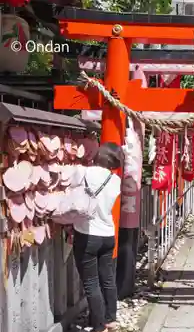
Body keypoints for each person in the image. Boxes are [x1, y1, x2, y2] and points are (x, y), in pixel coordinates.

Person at [73, 142, 124, 332]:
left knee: (91, 282)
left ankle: (99, 325)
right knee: (108, 278)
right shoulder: (115, 180)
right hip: (107, 235)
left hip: (87, 234)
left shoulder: (85, 172)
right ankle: (110, 319)